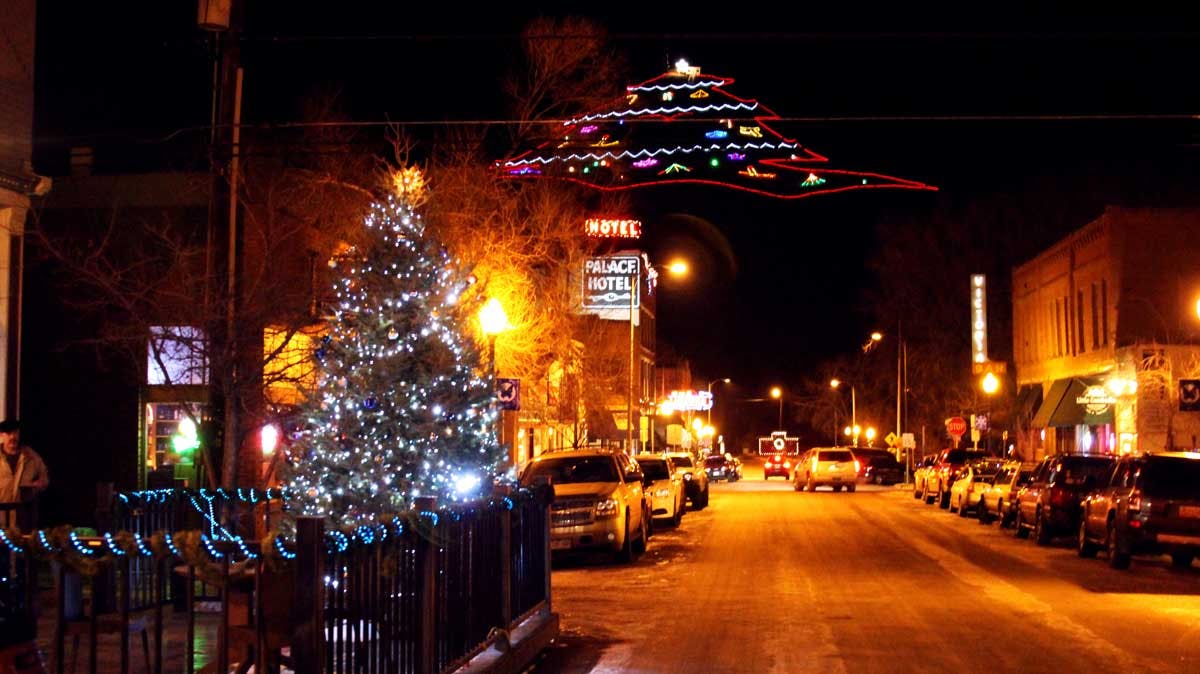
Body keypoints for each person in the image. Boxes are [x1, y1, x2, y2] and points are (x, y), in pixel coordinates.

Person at [0, 419, 49, 530]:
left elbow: (44, 477)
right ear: (1, 436)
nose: (13, 437)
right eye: (8, 433)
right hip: (1, 517)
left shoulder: (31, 456)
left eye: (15, 433)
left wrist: (40, 484)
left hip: (23, 518)